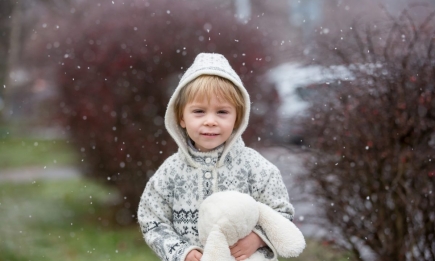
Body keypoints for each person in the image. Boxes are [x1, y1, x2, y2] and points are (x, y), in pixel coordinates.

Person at [137, 53, 295, 261]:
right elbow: (152, 219)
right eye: (199, 111)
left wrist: (258, 239)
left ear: (237, 118)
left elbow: (281, 213)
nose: (210, 121)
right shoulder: (172, 171)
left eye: (222, 112)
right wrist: (181, 251)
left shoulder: (255, 167)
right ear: (181, 118)